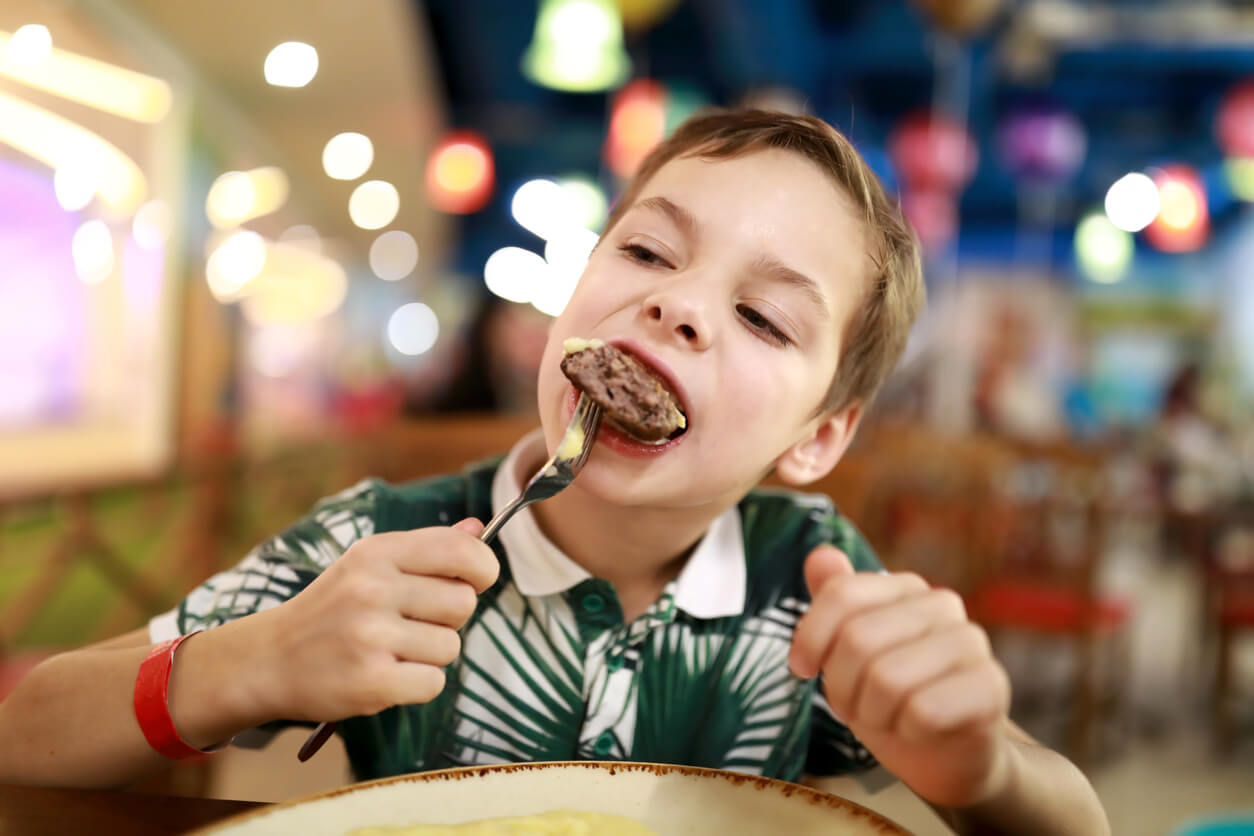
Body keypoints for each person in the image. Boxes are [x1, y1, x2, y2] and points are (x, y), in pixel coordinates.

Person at [0, 109, 1109, 835]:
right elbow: (30, 731)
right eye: (645, 252)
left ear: (817, 436)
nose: (676, 302)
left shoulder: (813, 584)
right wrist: (251, 660)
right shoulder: (380, 543)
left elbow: (1075, 819)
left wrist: (983, 770)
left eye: (763, 315)